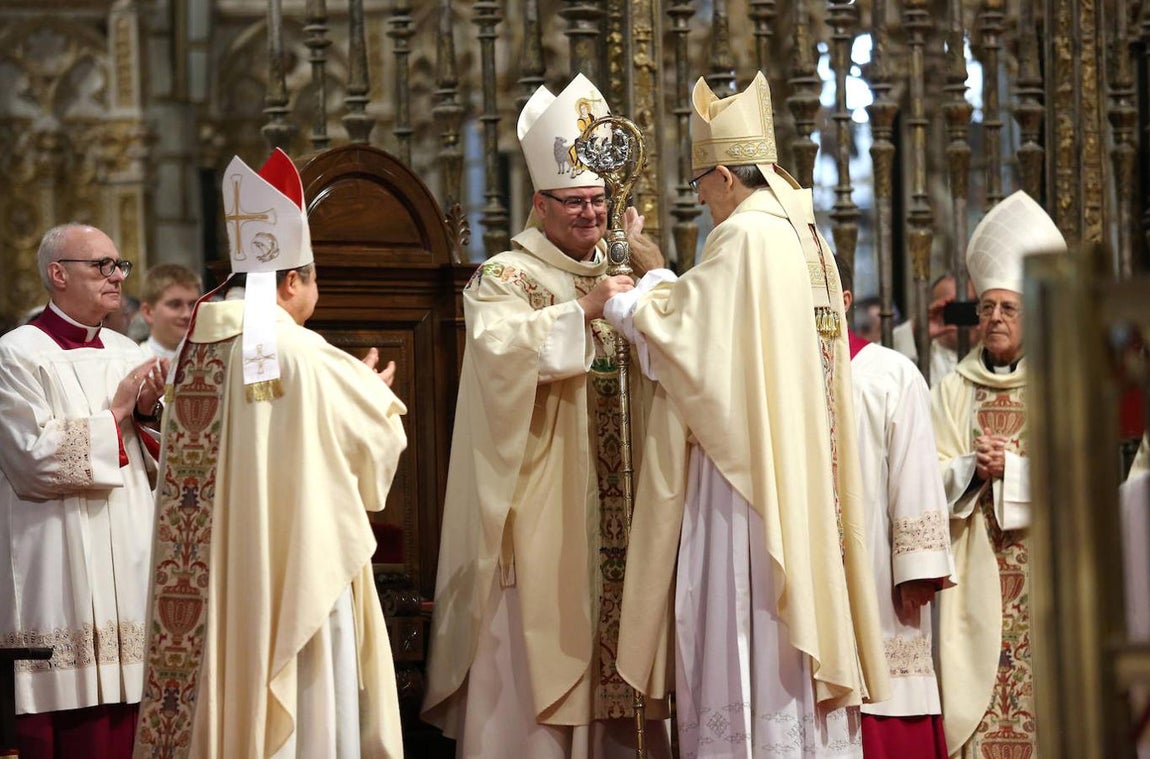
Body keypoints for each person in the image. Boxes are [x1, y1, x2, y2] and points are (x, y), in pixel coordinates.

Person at [604, 71, 890, 757]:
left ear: (727, 176)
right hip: (798, 476)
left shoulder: (743, 238)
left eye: (701, 184)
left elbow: (689, 342)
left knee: (742, 624)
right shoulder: (804, 236)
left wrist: (631, 293)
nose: (702, 199)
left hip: (745, 484)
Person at [421, 73, 668, 758]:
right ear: (540, 202)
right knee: (537, 655)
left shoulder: (620, 270)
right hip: (542, 505)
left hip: (624, 501)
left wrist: (647, 272)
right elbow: (498, 353)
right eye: (575, 202)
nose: (590, 214)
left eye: (599, 200)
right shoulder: (506, 276)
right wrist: (582, 310)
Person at [133, 149, 408, 758]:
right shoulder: (307, 353)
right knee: (307, 703)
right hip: (295, 571)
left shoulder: (196, 351)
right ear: (291, 281)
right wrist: (370, 395)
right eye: (314, 277)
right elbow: (373, 453)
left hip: (212, 575)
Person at [0, 223, 167, 758]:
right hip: (56, 548)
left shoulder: (126, 350)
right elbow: (30, 458)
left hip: (129, 544)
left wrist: (146, 414)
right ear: (58, 274)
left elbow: (161, 459)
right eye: (102, 266)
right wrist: (116, 413)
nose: (117, 277)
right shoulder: (17, 353)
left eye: (120, 266)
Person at [931, 189, 1067, 758]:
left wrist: (1014, 468)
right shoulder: (952, 388)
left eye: (1008, 309)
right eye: (986, 308)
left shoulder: (1059, 386)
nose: (994, 319)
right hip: (973, 571)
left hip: (1045, 572)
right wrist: (972, 468)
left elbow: (1079, 481)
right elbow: (925, 478)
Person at [836, 256, 954, 759]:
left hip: (879, 580)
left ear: (843, 300)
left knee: (886, 696)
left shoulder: (888, 372)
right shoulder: (772, 375)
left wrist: (918, 569)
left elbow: (916, 472)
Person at [892, 274, 981, 388]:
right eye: (951, 309)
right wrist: (917, 329)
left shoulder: (992, 353)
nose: (961, 314)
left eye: (969, 307)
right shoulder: (919, 353)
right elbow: (878, 363)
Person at [137, 263, 202, 361]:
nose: (187, 314)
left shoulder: (209, 360)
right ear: (148, 312)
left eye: (193, 305)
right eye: (175, 305)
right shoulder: (131, 363)